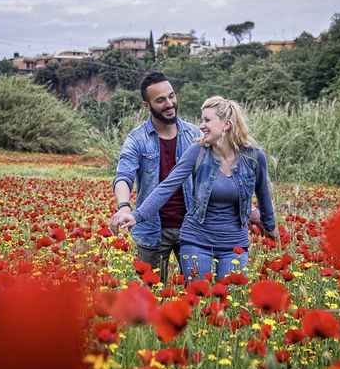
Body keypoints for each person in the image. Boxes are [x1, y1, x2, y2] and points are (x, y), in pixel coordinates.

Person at [117, 96, 275, 282]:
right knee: (199, 301)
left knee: (230, 295)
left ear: (227, 125)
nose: (201, 126)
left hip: (235, 243)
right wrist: (136, 215)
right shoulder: (197, 152)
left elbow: (263, 195)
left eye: (207, 120)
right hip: (197, 240)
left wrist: (270, 228)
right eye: (202, 120)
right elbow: (166, 188)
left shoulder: (254, 157)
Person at [110, 72, 201, 283]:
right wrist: (124, 206)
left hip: (192, 227)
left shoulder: (195, 134)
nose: (169, 103)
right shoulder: (137, 139)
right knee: (151, 298)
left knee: (199, 296)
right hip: (151, 229)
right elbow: (124, 175)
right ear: (147, 105)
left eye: (171, 96)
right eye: (160, 100)